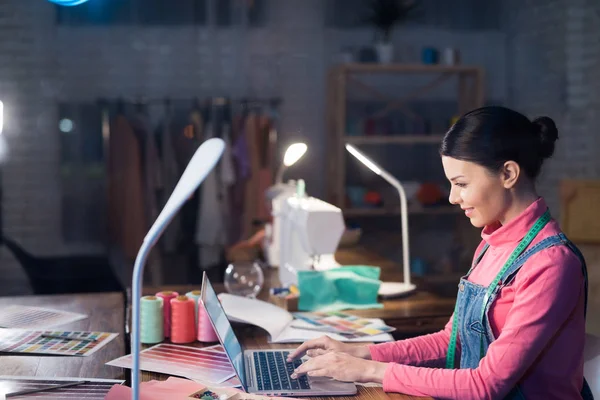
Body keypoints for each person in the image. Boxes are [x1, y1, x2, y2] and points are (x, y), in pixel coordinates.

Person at [287, 106, 593, 400]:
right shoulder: (492, 244)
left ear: (508, 174)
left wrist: (368, 370)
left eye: (461, 183)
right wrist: (361, 352)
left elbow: (486, 385)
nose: (452, 197)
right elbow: (453, 341)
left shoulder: (551, 264)